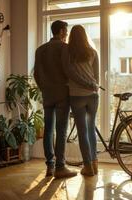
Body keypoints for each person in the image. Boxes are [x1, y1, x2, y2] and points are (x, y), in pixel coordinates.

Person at [34, 21, 97, 178]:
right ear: (61, 31)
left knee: (48, 129)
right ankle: (60, 167)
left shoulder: (40, 49)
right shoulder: (65, 48)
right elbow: (68, 70)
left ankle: (50, 166)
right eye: (66, 31)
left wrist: (44, 89)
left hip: (48, 94)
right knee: (61, 130)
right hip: (63, 94)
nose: (67, 34)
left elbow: (36, 73)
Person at [62, 25, 99, 176]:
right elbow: (96, 76)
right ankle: (95, 165)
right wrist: (91, 85)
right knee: (91, 129)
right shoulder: (93, 52)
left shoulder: (68, 52)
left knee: (83, 132)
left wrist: (85, 84)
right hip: (93, 96)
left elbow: (69, 72)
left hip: (77, 96)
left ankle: (88, 166)